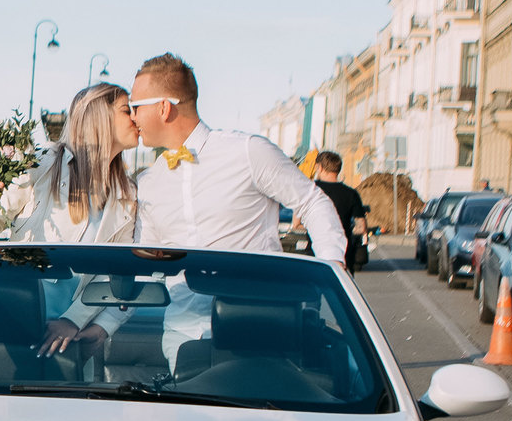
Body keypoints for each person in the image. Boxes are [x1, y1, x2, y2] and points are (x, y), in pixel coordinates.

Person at [43, 52, 347, 365]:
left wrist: (332, 266)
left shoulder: (248, 153)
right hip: (183, 341)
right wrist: (102, 328)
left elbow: (312, 202)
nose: (132, 117)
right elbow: (145, 269)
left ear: (164, 107)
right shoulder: (147, 183)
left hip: (259, 333)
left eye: (135, 106)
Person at [0, 82, 140, 243]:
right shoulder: (44, 161)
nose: (135, 117)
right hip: (36, 273)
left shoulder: (128, 193)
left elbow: (121, 265)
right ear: (99, 116)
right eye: (126, 110)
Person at [311, 150, 369, 269]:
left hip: (314, 252)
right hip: (343, 254)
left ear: (320, 167)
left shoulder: (311, 190)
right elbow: (361, 227)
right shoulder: (351, 194)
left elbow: (296, 223)